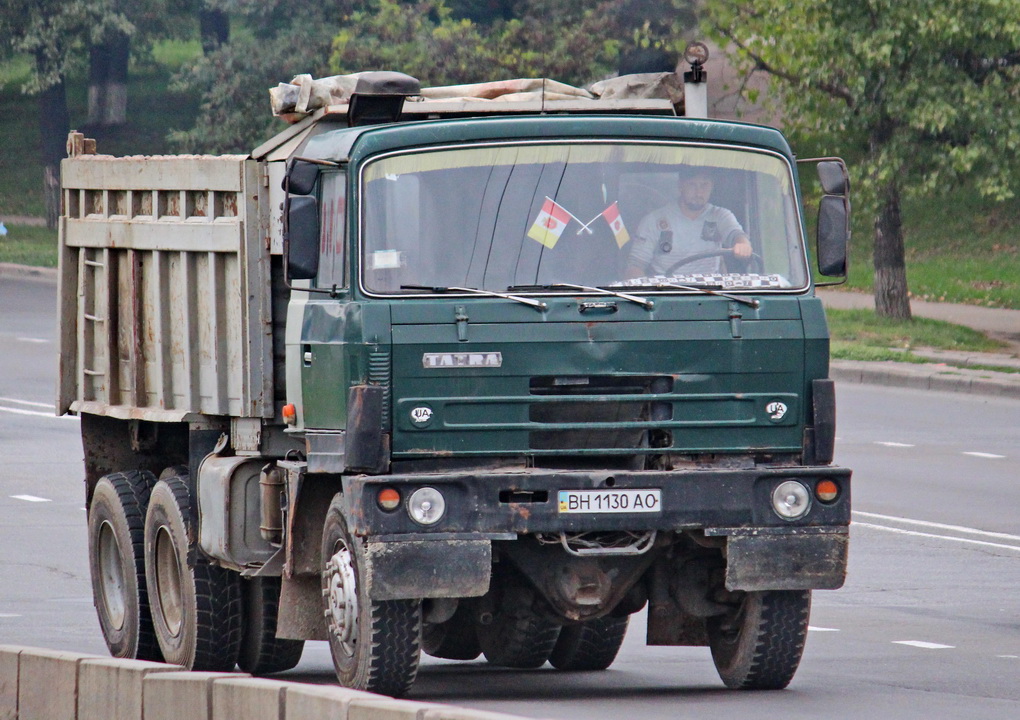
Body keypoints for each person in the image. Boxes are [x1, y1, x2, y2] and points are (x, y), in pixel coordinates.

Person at [626, 166, 752, 279]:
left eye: (704, 185)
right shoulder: (654, 221)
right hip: (666, 294)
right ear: (681, 186)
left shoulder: (720, 215)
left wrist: (743, 245)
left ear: (712, 187)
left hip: (712, 293)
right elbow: (635, 267)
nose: (698, 192)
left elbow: (737, 235)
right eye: (692, 185)